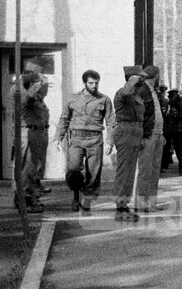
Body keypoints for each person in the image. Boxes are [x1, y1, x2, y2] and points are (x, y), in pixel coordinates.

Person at [57, 68, 114, 214]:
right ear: (85, 83)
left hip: (95, 139)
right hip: (76, 138)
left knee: (93, 173)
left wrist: (110, 142)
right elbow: (64, 118)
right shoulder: (73, 98)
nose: (94, 86)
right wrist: (59, 137)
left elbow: (111, 121)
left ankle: (86, 199)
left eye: (96, 83)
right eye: (91, 83)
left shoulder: (104, 99)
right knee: (73, 169)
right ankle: (76, 193)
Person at [112, 66, 149, 221]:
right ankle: (120, 209)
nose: (143, 79)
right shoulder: (123, 92)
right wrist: (132, 81)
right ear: (132, 78)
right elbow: (125, 93)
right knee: (124, 172)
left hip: (135, 132)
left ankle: (124, 206)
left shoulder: (136, 94)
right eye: (140, 77)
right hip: (125, 132)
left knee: (130, 172)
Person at [16, 66, 49, 212]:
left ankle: (26, 198)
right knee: (27, 169)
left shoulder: (35, 98)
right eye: (39, 84)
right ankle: (26, 201)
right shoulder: (24, 95)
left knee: (31, 168)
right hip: (28, 134)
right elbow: (30, 97)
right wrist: (40, 81)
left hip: (35, 133)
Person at [135, 66, 167, 211]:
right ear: (156, 76)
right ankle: (141, 204)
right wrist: (140, 136)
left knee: (155, 170)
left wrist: (161, 133)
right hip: (147, 136)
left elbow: (157, 114)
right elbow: (138, 116)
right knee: (145, 171)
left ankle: (151, 203)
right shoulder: (142, 91)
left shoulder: (155, 92)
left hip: (158, 134)